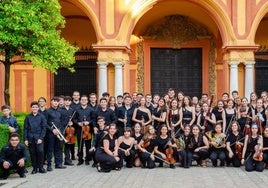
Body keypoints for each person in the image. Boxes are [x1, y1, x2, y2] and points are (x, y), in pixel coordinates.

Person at [24, 101, 47, 174]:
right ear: (31, 108)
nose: (35, 108)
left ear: (38, 108)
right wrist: (26, 139)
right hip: (30, 138)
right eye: (33, 107)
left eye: (36, 107)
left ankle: (40, 167)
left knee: (40, 152)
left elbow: (44, 128)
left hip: (39, 138)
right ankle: (34, 168)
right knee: (32, 153)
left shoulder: (42, 116)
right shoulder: (28, 117)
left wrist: (41, 138)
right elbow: (25, 129)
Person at [46, 97, 66, 171]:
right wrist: (52, 130)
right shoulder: (47, 111)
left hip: (59, 132)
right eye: (54, 101)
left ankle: (58, 164)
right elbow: (45, 123)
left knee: (59, 149)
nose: (55, 103)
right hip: (51, 133)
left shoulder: (60, 111)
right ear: (51, 102)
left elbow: (62, 122)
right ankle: (49, 165)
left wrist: (60, 130)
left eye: (57, 101)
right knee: (50, 149)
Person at [73, 95, 94, 166]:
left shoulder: (91, 109)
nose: (84, 101)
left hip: (88, 130)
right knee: (80, 145)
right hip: (80, 129)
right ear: (80, 101)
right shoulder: (77, 109)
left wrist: (89, 122)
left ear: (87, 101)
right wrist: (78, 123)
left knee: (88, 145)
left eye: (85, 100)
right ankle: (80, 159)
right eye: (82, 100)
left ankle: (87, 159)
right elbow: (74, 119)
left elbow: (93, 119)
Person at [61, 96, 76, 166]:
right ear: (64, 101)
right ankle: (59, 160)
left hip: (69, 130)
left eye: (69, 100)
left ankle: (67, 160)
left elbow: (74, 119)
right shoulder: (60, 110)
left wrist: (72, 122)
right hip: (62, 129)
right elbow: (59, 120)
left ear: (71, 102)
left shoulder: (72, 110)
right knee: (60, 146)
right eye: (66, 100)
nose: (67, 102)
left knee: (67, 145)